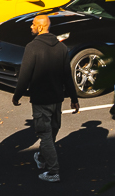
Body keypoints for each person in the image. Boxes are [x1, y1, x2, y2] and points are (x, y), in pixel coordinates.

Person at [12, 13, 80, 183]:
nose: (31, 26)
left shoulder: (32, 47)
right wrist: (74, 98)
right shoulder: (61, 47)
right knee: (52, 132)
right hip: (57, 99)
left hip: (41, 100)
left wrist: (17, 95)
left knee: (45, 135)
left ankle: (53, 171)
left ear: (41, 27)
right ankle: (42, 157)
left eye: (33, 24)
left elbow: (25, 74)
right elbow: (67, 75)